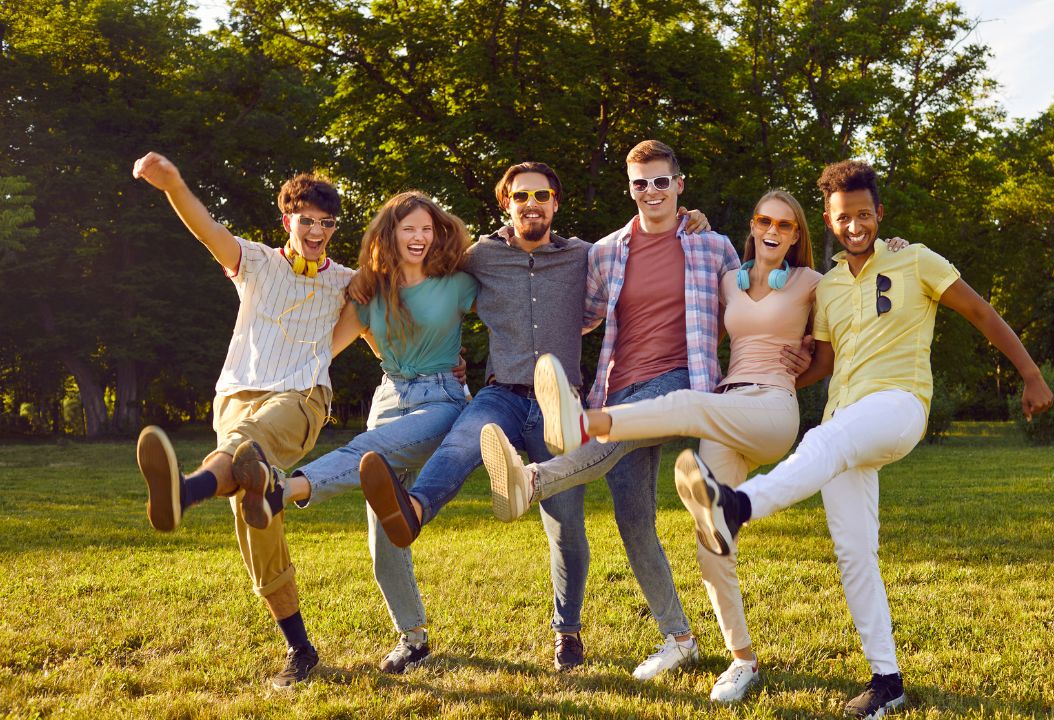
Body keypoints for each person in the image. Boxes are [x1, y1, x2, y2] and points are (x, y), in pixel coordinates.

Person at [674, 159, 1054, 718]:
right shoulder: (826, 288)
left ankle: (736, 507)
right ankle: (886, 679)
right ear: (828, 223)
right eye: (842, 217)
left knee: (821, 445)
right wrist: (778, 376)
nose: (854, 225)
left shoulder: (914, 259)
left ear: (879, 214)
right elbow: (822, 362)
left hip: (898, 406)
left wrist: (1031, 373)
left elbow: (978, 310)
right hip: (844, 413)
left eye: (863, 214)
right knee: (854, 551)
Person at [491, 190, 906, 701]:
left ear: (798, 234)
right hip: (726, 406)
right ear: (752, 227)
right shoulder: (727, 280)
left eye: (785, 224)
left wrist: (892, 249)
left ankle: (581, 424)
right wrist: (690, 214)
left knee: (688, 402)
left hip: (771, 409)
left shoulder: (812, 282)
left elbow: (858, 294)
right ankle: (742, 659)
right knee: (711, 543)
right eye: (762, 220)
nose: (772, 229)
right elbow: (674, 277)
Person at [359, 161, 710, 674]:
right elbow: (422, 277)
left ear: (555, 203)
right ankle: (413, 510)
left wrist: (687, 219)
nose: (532, 204)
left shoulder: (585, 256)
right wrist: (376, 303)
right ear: (508, 205)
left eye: (541, 195)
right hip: (501, 393)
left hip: (561, 404)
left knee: (566, 524)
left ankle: (567, 634)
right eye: (521, 196)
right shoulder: (480, 256)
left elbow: (641, 249)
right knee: (463, 442)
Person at [479, 140, 741, 681]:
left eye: (660, 181)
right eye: (640, 183)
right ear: (630, 188)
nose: (651, 192)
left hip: (680, 381)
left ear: (679, 185)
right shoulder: (608, 251)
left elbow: (747, 305)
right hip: (618, 387)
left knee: (604, 442)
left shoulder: (712, 246)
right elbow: (580, 315)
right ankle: (679, 638)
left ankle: (531, 479)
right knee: (634, 521)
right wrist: (512, 253)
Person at [131, 151, 353, 688]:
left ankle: (186, 492)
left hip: (300, 398)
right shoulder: (254, 261)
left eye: (327, 224)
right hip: (235, 394)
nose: (317, 231)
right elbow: (207, 229)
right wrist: (173, 184)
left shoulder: (347, 280)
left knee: (248, 444)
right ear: (287, 221)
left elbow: (389, 310)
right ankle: (300, 649)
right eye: (307, 221)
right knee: (256, 514)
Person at [270, 191, 475, 674]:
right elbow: (320, 350)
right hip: (389, 399)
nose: (419, 238)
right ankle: (413, 639)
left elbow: (513, 302)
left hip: (443, 400)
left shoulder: (459, 282)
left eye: (427, 228)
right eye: (409, 229)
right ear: (390, 234)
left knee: (368, 456)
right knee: (385, 535)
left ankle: (282, 490)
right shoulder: (369, 291)